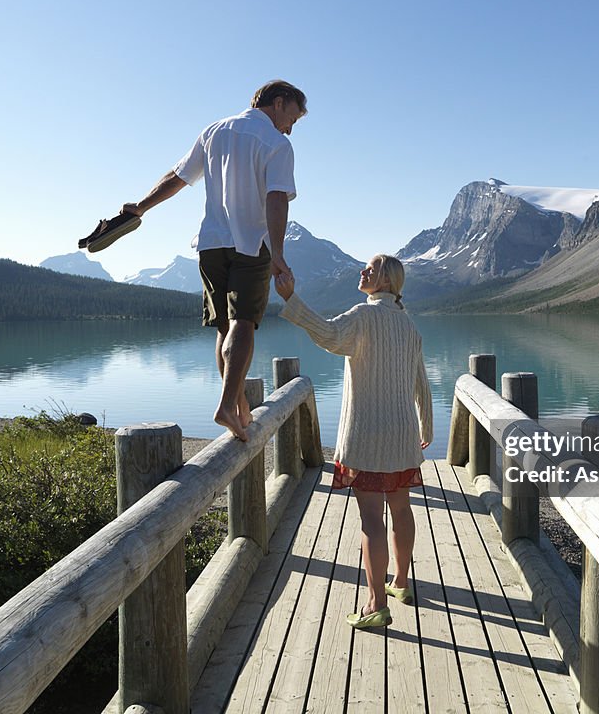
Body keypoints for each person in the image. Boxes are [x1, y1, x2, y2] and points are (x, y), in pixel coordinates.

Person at [120, 80, 307, 441]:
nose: (290, 128)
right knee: (244, 323)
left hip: (210, 243)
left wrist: (140, 207)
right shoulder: (276, 143)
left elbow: (178, 178)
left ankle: (237, 404)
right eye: (293, 119)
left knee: (224, 328)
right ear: (279, 103)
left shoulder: (214, 131)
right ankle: (226, 406)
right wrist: (279, 253)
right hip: (250, 243)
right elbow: (277, 199)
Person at [274, 255, 433, 629]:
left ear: (387, 281)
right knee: (401, 510)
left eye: (372, 268)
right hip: (402, 433)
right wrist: (426, 424)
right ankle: (401, 582)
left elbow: (328, 335)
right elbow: (420, 382)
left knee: (370, 521)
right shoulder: (408, 325)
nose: (364, 271)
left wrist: (291, 300)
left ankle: (376, 603)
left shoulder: (363, 315)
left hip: (367, 435)